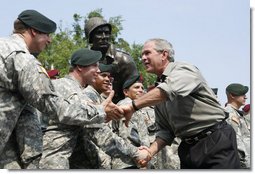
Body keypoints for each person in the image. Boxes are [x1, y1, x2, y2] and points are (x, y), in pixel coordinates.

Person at [0, 10, 123, 169]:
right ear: (34, 31)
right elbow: (53, 106)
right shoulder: (22, 59)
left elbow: (24, 112)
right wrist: (99, 111)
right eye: (47, 35)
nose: (49, 40)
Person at [120, 38, 240, 169]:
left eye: (147, 53)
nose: (143, 58)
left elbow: (169, 89)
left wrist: (133, 106)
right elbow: (165, 131)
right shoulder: (157, 91)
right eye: (142, 55)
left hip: (215, 141)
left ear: (164, 55)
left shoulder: (184, 69)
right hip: (188, 148)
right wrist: (150, 152)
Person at [69, 63, 149, 169]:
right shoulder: (87, 97)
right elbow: (100, 134)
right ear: (94, 76)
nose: (108, 79)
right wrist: (135, 153)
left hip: (99, 160)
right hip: (87, 162)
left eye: (109, 76)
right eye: (103, 75)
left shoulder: (101, 99)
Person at [84, 17, 139, 103]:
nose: (104, 37)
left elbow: (136, 91)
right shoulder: (84, 61)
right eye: (99, 33)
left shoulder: (124, 60)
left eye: (107, 33)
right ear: (91, 37)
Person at [112, 75, 151, 169]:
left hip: (135, 161)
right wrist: (141, 158)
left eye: (142, 87)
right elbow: (126, 137)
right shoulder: (126, 105)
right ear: (126, 92)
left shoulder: (136, 107)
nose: (141, 90)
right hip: (128, 162)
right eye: (136, 87)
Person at [224, 83, 250, 168]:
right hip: (244, 164)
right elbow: (236, 142)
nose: (245, 97)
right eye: (242, 94)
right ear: (232, 95)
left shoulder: (238, 113)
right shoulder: (230, 114)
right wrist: (246, 165)